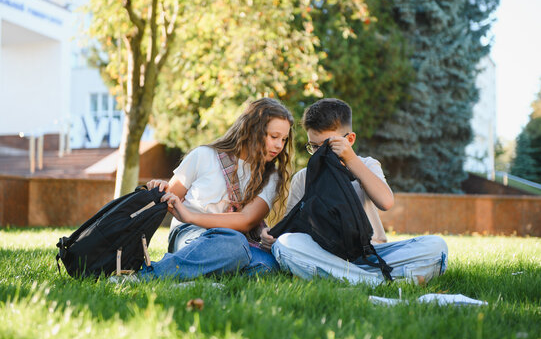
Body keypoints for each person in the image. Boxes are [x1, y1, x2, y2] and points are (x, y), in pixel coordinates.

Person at [261, 98, 448, 286]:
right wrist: (272, 238)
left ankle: (351, 278)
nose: (319, 154)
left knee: (436, 246)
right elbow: (293, 229)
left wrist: (350, 159)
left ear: (349, 140)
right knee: (286, 244)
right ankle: (379, 281)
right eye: (314, 147)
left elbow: (386, 202)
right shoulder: (303, 177)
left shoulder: (365, 165)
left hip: (373, 255)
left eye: (327, 146)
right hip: (327, 255)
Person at [140, 97, 294, 280]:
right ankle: (149, 274)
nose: (279, 145)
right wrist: (159, 187)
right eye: (273, 136)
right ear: (252, 130)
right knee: (234, 246)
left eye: (284, 140)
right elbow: (169, 198)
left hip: (236, 239)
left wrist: (190, 215)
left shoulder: (271, 176)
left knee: (268, 266)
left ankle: (200, 275)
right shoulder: (204, 155)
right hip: (191, 233)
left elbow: (246, 220)